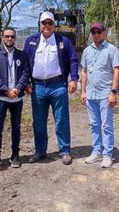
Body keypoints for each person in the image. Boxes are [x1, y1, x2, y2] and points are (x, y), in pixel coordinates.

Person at [23, 11, 79, 165]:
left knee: (61, 119)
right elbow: (26, 63)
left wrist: (74, 79)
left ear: (54, 25)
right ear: (40, 25)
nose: (47, 25)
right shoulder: (31, 41)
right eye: (44, 23)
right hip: (37, 87)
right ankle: (40, 151)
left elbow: (73, 60)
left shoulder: (63, 41)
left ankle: (65, 151)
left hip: (58, 86)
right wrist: (26, 82)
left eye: (50, 23)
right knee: (39, 121)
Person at [80, 22, 119, 168]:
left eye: (99, 32)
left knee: (106, 125)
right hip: (91, 94)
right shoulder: (87, 51)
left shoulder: (112, 50)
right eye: (93, 32)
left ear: (104, 32)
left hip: (105, 94)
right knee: (94, 124)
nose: (96, 35)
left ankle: (107, 154)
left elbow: (117, 71)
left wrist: (113, 92)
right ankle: (97, 150)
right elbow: (84, 72)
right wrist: (83, 91)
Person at [0, 27, 29, 169]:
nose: (10, 39)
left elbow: (25, 73)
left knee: (16, 127)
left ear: (15, 38)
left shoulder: (22, 55)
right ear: (2, 38)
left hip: (17, 99)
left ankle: (15, 155)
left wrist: (17, 89)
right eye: (7, 36)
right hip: (1, 98)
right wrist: (6, 90)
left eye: (12, 36)